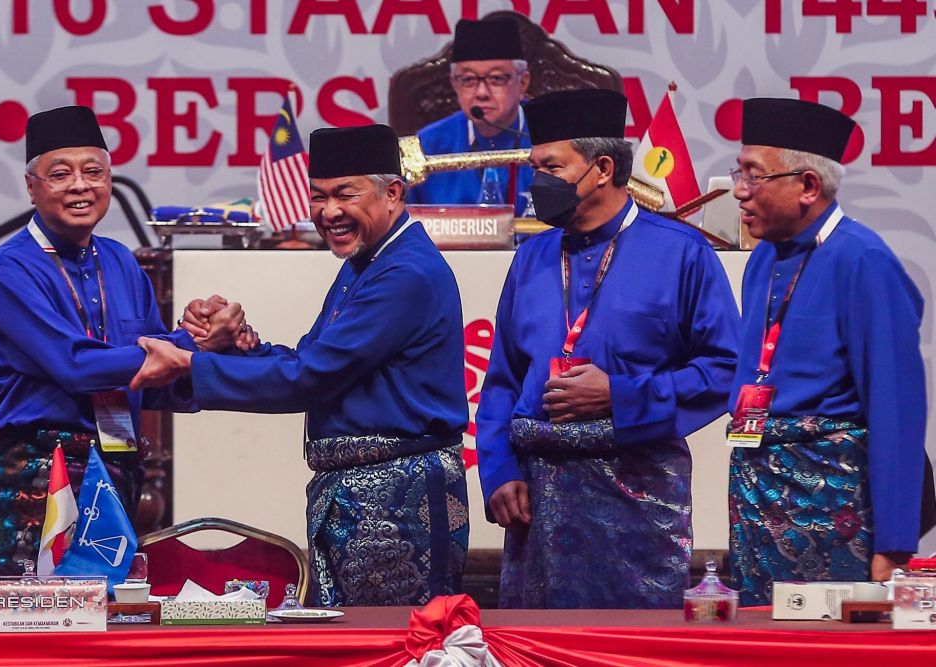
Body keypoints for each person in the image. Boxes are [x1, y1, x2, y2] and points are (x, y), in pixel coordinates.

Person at [131, 124, 470, 608]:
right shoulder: (367, 263)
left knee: (393, 646)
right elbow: (311, 361)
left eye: (345, 195)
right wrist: (238, 349)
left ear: (393, 193)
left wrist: (189, 364)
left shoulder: (406, 272)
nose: (328, 212)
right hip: (359, 492)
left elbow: (310, 380)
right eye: (318, 197)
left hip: (397, 498)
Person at [475, 89, 740, 609]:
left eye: (551, 167)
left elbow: (724, 370)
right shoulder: (532, 257)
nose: (538, 183)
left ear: (600, 168)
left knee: (630, 645)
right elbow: (504, 378)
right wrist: (499, 469)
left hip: (636, 495)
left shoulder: (681, 253)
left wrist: (619, 394)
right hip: (537, 500)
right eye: (534, 167)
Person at [0, 105, 250, 576]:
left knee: (109, 627)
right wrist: (193, 343)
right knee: (26, 632)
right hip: (34, 474)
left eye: (93, 172)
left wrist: (229, 347)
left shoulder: (120, 262)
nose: (81, 185)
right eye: (61, 174)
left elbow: (151, 374)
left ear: (110, 180)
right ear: (32, 187)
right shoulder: (10, 268)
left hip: (115, 467)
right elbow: (74, 365)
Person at [727, 97, 932, 605]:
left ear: (808, 186)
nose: (739, 191)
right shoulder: (762, 261)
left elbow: (897, 409)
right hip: (758, 501)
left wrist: (894, 543)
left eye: (754, 176)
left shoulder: (864, 262)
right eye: (740, 172)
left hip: (834, 510)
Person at [406, 17, 533, 215]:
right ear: (455, 84)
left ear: (522, 83)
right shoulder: (428, 145)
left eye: (497, 78)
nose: (481, 92)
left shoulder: (552, 137)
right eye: (468, 80)